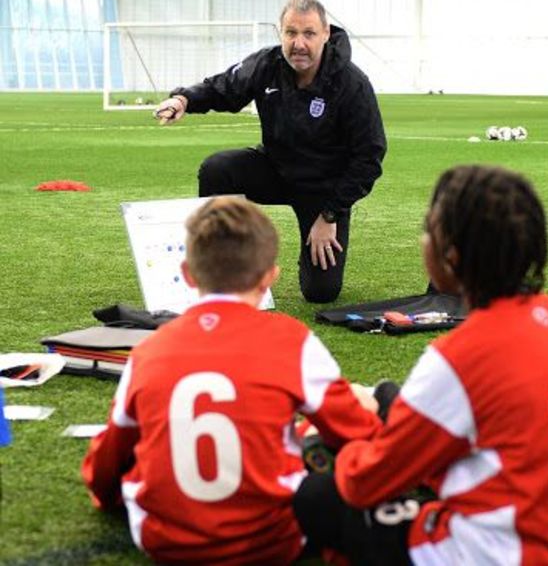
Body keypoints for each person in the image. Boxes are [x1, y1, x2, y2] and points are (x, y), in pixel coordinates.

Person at [294, 164, 548, 565]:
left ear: (449, 255)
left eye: (428, 229)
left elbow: (366, 482)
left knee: (318, 499)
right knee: (393, 400)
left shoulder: (463, 357)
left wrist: (346, 447)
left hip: (505, 552)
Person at [82, 196, 382, 565]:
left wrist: (107, 495)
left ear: (188, 273)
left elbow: (105, 466)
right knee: (342, 425)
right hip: (273, 541)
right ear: (271, 276)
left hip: (164, 541)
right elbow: (357, 431)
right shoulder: (292, 341)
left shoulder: (149, 350)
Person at [153, 0, 387, 304]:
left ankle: (311, 251)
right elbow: (223, 88)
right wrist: (183, 99)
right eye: (291, 32)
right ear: (281, 33)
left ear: (326, 34)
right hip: (276, 170)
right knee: (218, 169)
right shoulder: (267, 64)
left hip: (323, 191)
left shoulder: (351, 83)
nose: (298, 43)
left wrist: (330, 214)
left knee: (321, 292)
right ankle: (220, 263)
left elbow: (369, 157)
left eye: (309, 33)